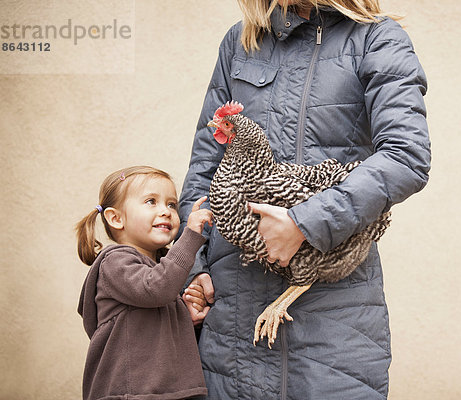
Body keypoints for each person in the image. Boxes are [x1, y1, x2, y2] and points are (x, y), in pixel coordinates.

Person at [179, 0, 431, 398]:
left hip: (332, 320)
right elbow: (205, 171)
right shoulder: (241, 42)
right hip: (232, 325)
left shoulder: (376, 38)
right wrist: (193, 268)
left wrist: (306, 222)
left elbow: (406, 155)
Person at [76, 166, 212, 400]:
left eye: (172, 204)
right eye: (151, 201)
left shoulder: (165, 266)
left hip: (166, 391)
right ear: (116, 218)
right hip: (130, 393)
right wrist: (190, 237)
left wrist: (183, 319)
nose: (166, 211)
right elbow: (155, 289)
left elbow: (147, 321)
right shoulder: (115, 261)